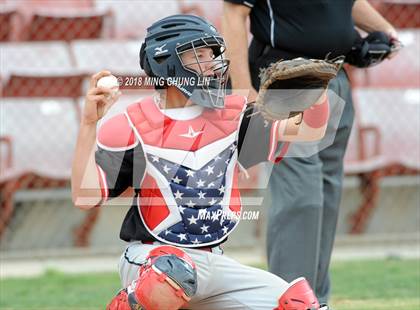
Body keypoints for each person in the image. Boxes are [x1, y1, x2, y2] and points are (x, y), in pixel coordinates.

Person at [71, 14, 331, 310]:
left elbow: (311, 130)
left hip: (211, 261)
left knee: (300, 304)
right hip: (151, 258)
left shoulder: (233, 115)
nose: (211, 64)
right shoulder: (132, 123)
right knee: (171, 275)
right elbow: (85, 196)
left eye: (212, 55)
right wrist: (88, 124)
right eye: (199, 55)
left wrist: (316, 94)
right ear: (167, 61)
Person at [222, 0, 400, 304]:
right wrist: (242, 91)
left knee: (326, 194)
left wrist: (385, 31)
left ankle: (316, 298)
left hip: (336, 77)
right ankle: (289, 300)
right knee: (301, 197)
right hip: (287, 80)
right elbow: (233, 13)